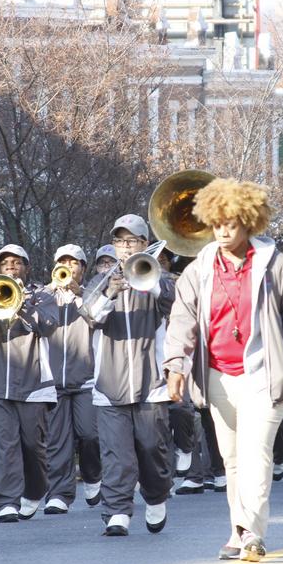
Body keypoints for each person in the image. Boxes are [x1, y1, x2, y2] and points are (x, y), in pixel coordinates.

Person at [164, 179, 283, 560]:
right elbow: (183, 320)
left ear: (249, 222)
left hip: (264, 373)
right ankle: (237, 528)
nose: (224, 231)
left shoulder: (274, 262)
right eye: (217, 224)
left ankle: (252, 533)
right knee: (231, 460)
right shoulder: (200, 268)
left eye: (231, 223)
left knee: (255, 452)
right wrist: (175, 364)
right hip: (217, 376)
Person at [81, 215, 175, 538]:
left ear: (145, 245)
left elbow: (171, 302)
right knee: (116, 454)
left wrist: (147, 280)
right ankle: (117, 511)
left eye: (131, 241)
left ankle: (156, 495)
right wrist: (109, 291)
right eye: (120, 241)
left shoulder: (159, 277)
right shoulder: (100, 282)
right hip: (109, 384)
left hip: (151, 383)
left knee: (152, 447)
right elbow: (90, 316)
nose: (125, 247)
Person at [0, 244, 57, 523]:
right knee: (4, 445)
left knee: (33, 446)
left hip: (33, 384)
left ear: (26, 267)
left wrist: (25, 304)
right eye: (5, 263)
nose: (11, 267)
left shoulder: (42, 294)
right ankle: (5, 501)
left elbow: (50, 325)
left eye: (16, 263)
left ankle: (34, 490)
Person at [44, 244, 102, 514]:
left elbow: (97, 320)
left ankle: (92, 476)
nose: (69, 267)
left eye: (74, 262)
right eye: (63, 262)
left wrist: (80, 297)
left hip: (86, 380)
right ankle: (60, 494)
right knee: (57, 441)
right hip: (54, 383)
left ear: (83, 268)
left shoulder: (94, 293)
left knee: (89, 434)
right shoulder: (44, 295)